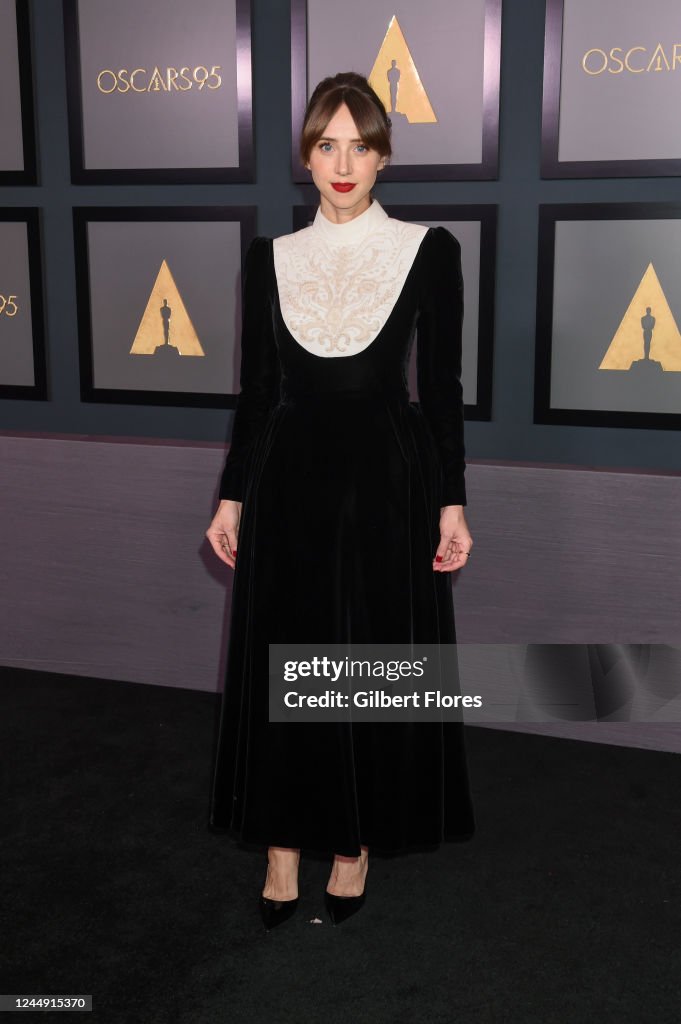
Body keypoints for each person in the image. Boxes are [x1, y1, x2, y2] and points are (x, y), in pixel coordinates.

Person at [205, 71, 475, 931]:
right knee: (287, 654)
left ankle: (353, 841)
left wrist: (452, 504)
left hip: (388, 480)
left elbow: (440, 391)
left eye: (361, 144)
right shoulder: (270, 257)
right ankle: (284, 843)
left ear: (384, 154)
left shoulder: (429, 251)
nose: (344, 162)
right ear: (306, 158)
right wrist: (231, 496)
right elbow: (255, 394)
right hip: (288, 480)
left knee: (363, 659)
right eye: (327, 145)